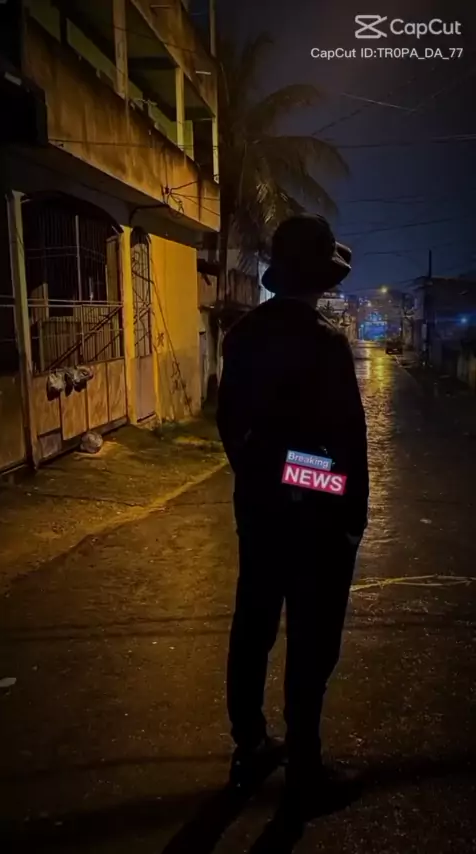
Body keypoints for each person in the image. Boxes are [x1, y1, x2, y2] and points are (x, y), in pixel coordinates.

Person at [216, 215, 369, 818]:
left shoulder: (242, 337)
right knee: (311, 639)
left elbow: (233, 431)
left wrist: (268, 476)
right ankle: (305, 767)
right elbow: (345, 447)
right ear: (322, 280)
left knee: (253, 624)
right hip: (316, 525)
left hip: (257, 511)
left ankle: (250, 744)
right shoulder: (325, 344)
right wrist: (344, 510)